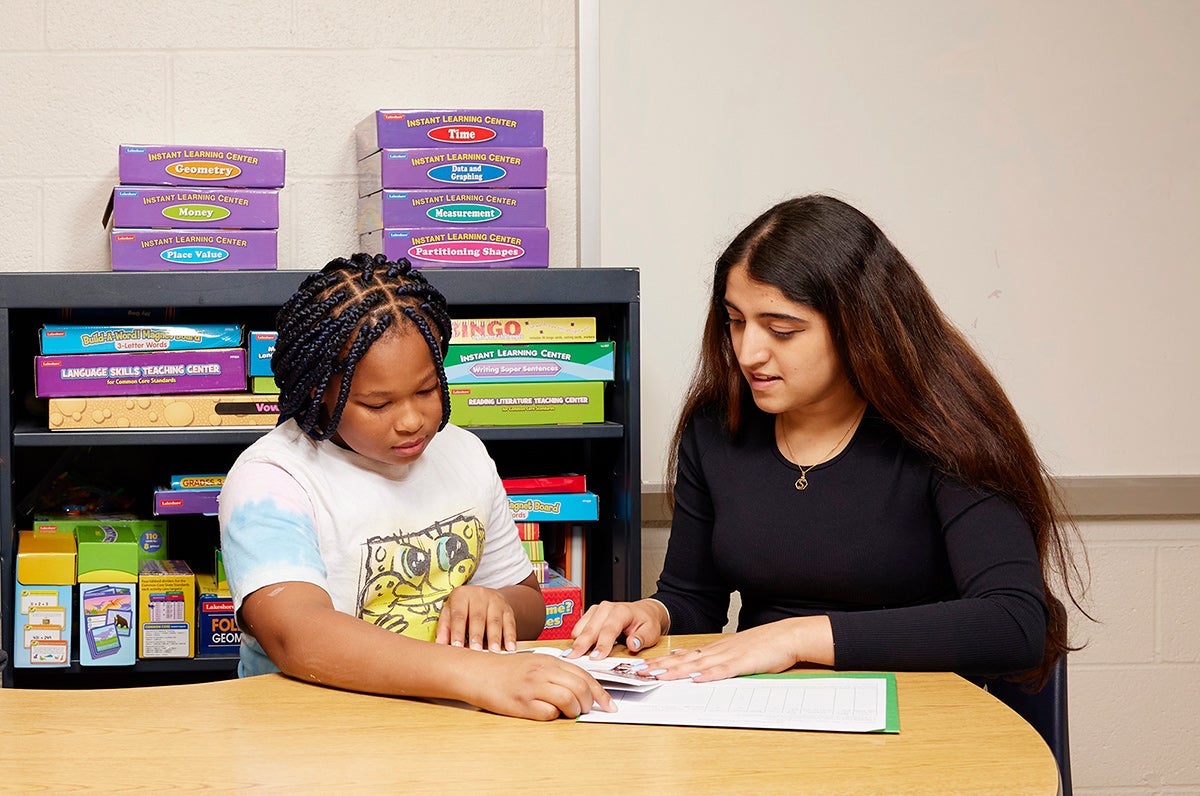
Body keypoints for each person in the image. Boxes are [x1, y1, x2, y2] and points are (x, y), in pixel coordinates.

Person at [566, 194, 1085, 689]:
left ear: (861, 326)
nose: (749, 353)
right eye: (736, 322)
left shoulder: (946, 428)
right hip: (766, 708)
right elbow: (693, 597)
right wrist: (651, 612)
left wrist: (797, 637)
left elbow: (1013, 624)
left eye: (782, 330)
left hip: (924, 712)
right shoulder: (717, 426)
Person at [219, 253, 612, 720]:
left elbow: (529, 603)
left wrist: (496, 602)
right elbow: (299, 637)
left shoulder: (462, 453)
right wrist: (477, 674)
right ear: (317, 391)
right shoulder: (271, 479)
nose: (411, 421)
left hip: (447, 721)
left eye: (426, 391)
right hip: (310, 729)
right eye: (377, 403)